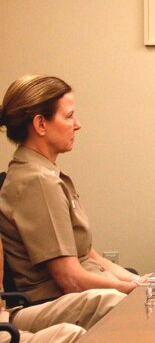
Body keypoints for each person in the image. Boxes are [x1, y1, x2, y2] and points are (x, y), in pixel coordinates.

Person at [0, 74, 140, 302]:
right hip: (53, 302)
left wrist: (143, 283)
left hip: (81, 294)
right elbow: (71, 280)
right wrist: (131, 291)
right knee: (128, 307)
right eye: (69, 116)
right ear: (40, 124)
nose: (77, 124)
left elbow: (90, 257)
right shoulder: (37, 181)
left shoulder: (47, 174)